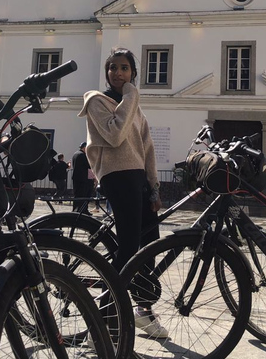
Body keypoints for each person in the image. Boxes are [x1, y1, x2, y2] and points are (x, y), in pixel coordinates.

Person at [78, 47, 168, 338]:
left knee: (150, 245)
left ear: (133, 73)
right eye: (113, 67)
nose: (118, 73)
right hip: (117, 176)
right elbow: (115, 136)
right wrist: (131, 96)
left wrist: (154, 188)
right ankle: (103, 319)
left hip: (139, 178)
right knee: (128, 248)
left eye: (125, 68)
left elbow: (148, 147)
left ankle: (143, 311)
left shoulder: (134, 106)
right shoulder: (96, 100)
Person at [70, 142, 92, 213]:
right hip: (83, 179)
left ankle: (76, 209)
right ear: (84, 148)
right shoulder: (83, 155)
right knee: (83, 195)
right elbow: (89, 166)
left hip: (76, 178)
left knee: (77, 195)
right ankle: (82, 210)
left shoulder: (75, 154)